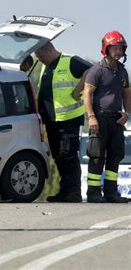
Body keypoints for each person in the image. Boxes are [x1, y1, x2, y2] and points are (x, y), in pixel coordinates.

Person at [35, 42, 92, 202]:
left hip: (69, 118)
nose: (40, 60)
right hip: (52, 120)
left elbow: (91, 70)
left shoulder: (69, 60)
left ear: (49, 50)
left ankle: (74, 192)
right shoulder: (46, 67)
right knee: (58, 155)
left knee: (68, 154)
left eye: (41, 56)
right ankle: (65, 191)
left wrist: (78, 90)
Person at [83, 31, 130, 203]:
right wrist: (92, 116)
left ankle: (111, 192)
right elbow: (87, 94)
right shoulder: (96, 70)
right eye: (114, 48)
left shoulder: (123, 72)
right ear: (106, 49)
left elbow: (126, 94)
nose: (118, 51)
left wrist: (127, 114)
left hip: (116, 120)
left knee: (115, 156)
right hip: (99, 119)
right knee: (97, 156)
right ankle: (93, 193)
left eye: (120, 48)